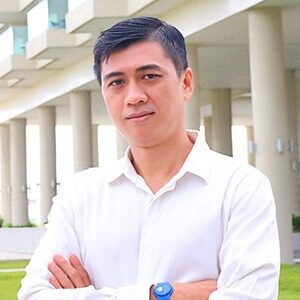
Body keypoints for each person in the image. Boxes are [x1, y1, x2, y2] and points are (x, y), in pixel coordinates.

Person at [18, 17, 280, 300]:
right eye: (117, 82)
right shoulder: (80, 195)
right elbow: (33, 295)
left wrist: (93, 295)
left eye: (149, 76)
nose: (133, 96)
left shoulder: (240, 187)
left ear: (186, 83)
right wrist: (158, 294)